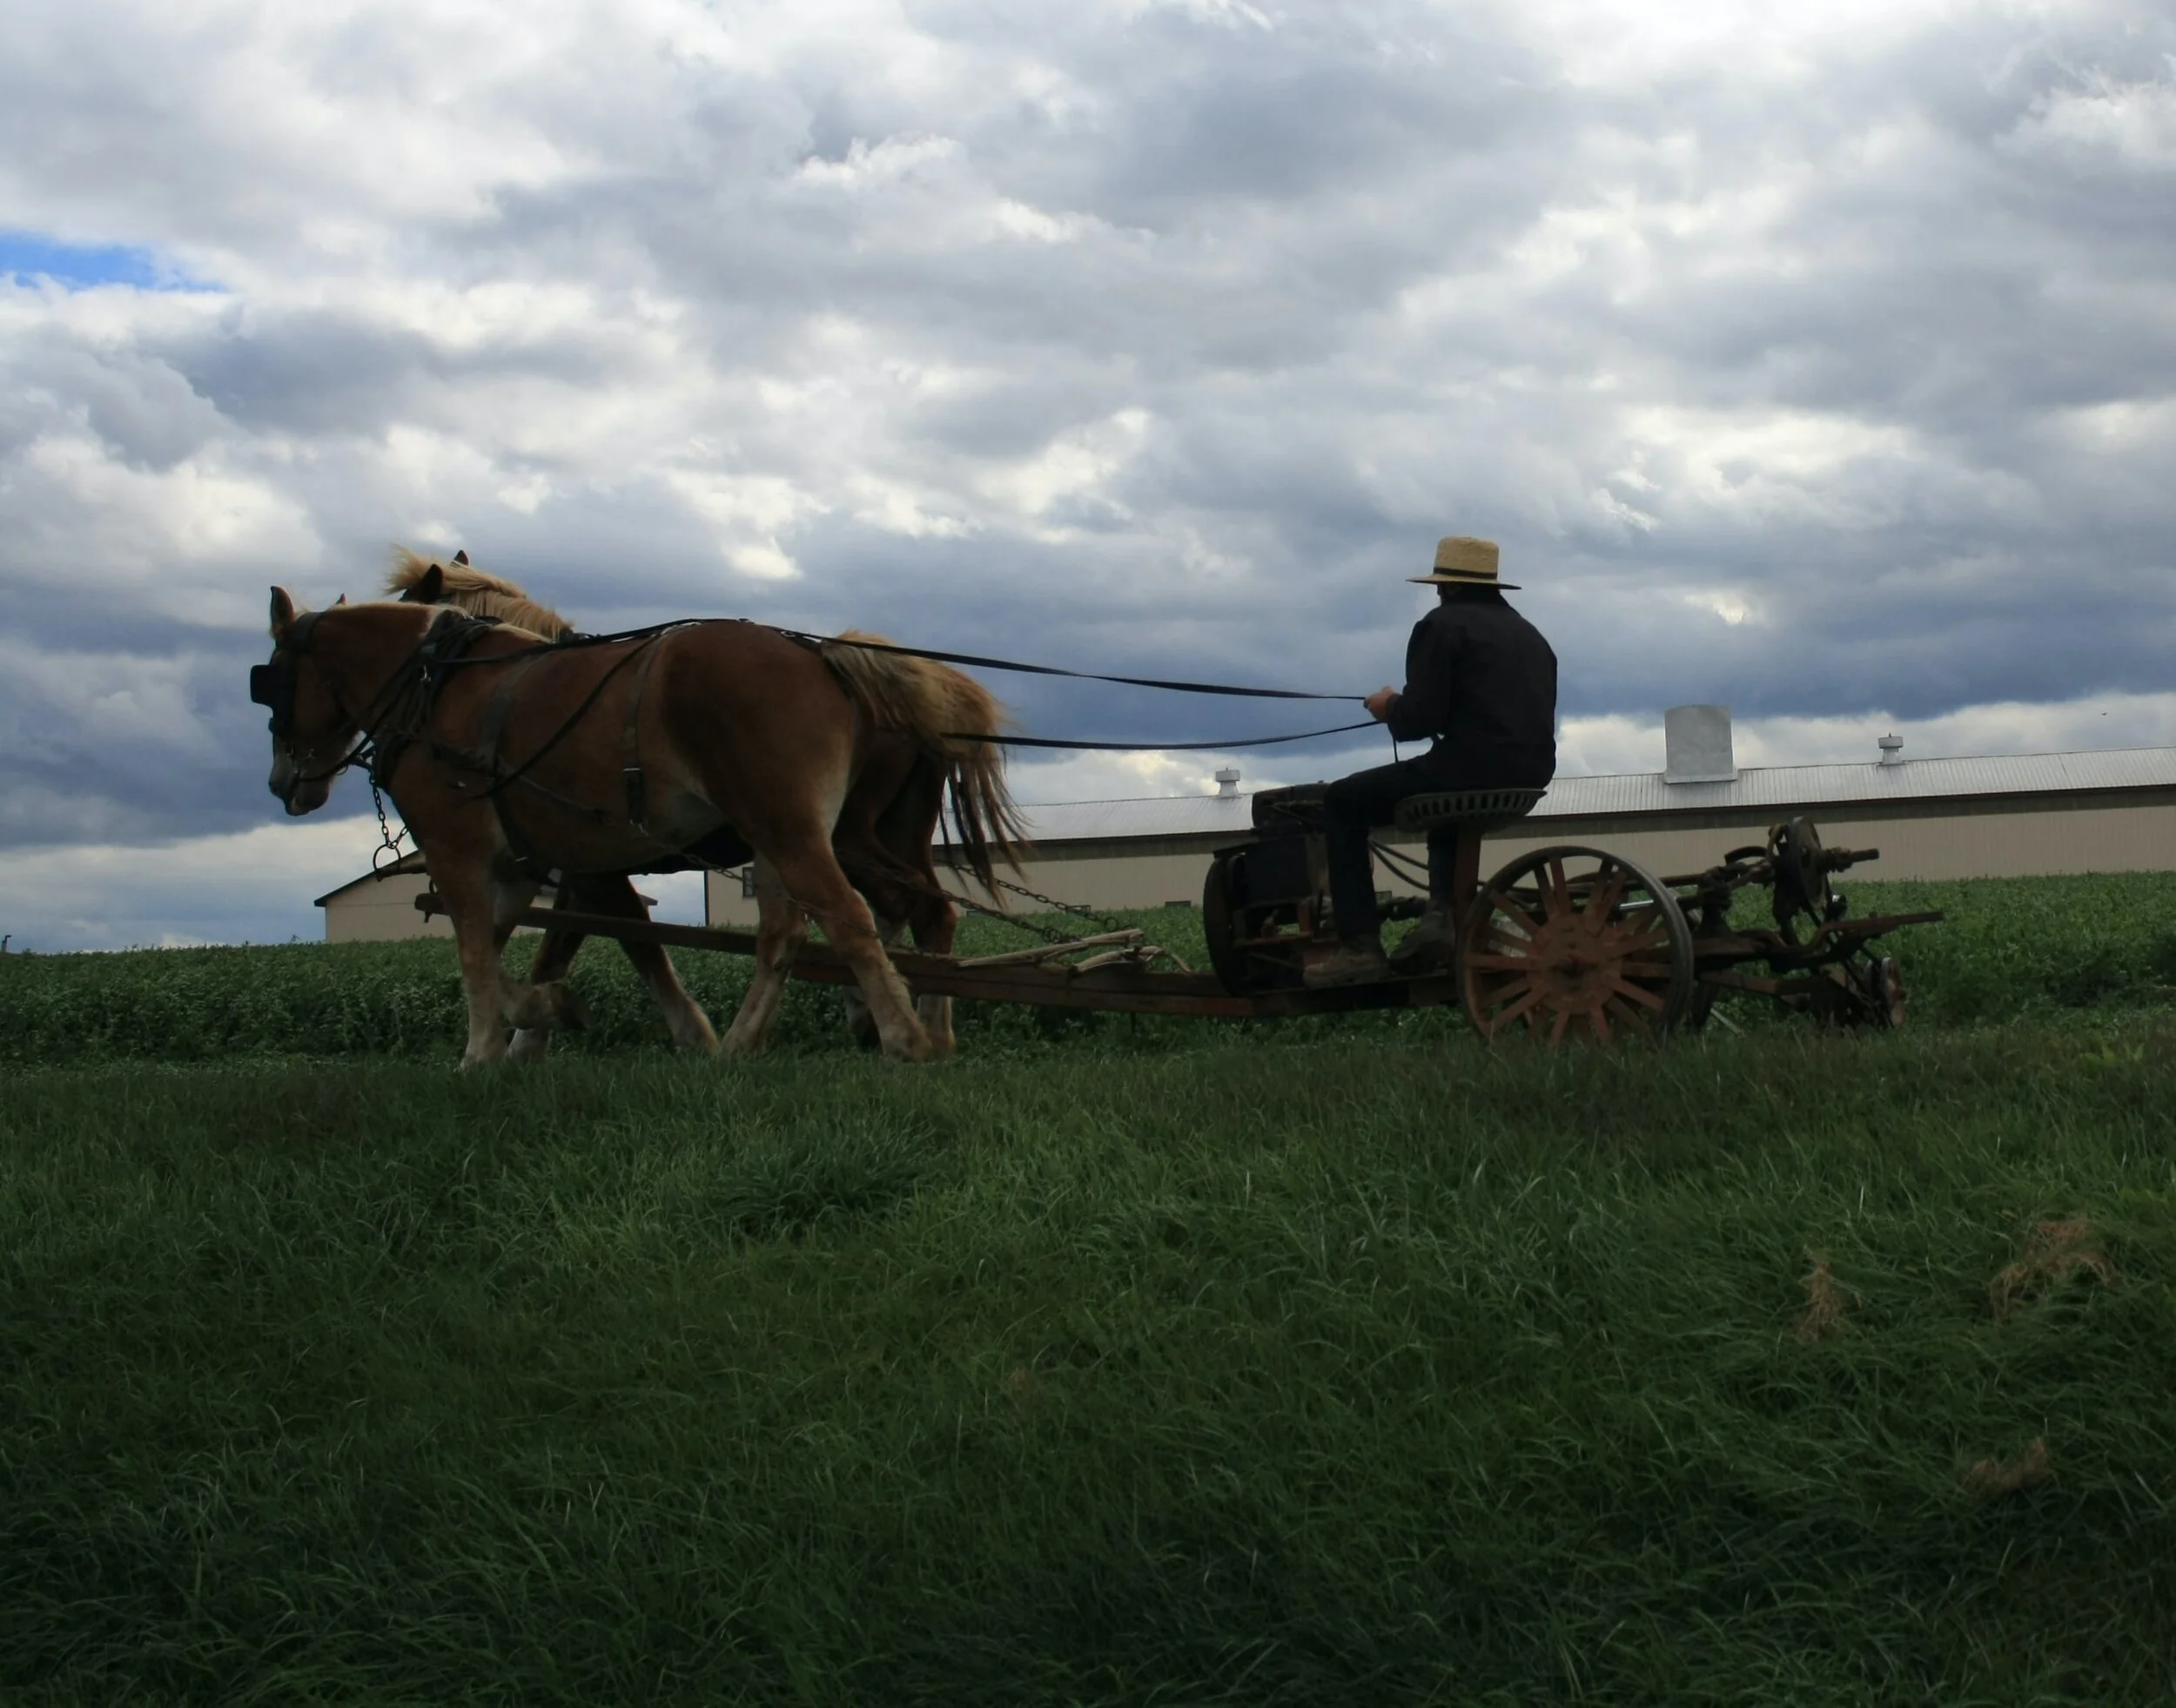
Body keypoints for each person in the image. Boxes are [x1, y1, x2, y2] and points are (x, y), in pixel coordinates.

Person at [1306, 535, 1558, 986]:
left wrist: (1387, 706)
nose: (1438, 592)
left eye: (1440, 585)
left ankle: (1359, 947)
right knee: (1449, 801)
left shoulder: (1440, 626)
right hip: (1531, 773)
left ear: (1451, 586)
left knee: (1343, 801)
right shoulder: (1531, 634)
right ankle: (1442, 915)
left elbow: (1418, 721)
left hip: (1469, 767)